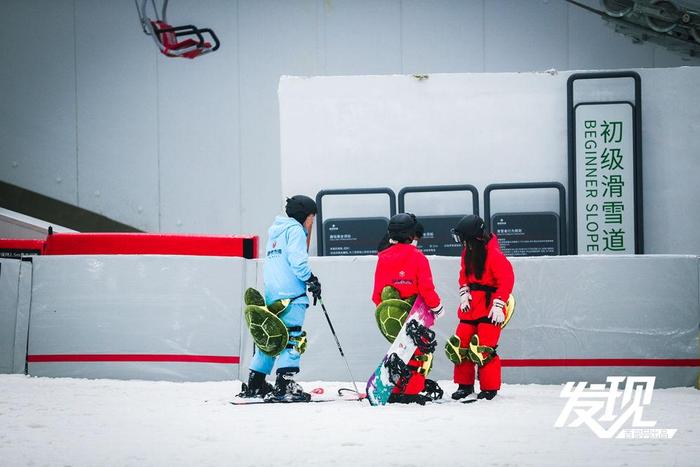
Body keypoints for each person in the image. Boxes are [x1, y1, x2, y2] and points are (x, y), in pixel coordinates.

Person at [238, 195, 322, 402]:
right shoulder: (295, 231)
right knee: (293, 337)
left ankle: (256, 381)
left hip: (273, 294)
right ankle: (285, 384)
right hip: (292, 294)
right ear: (305, 215)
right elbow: (298, 261)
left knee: (272, 337)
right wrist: (311, 279)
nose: (312, 222)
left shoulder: (275, 232)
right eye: (311, 217)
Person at [372, 213, 443, 404]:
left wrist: (386, 312)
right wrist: (437, 307)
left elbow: (377, 293)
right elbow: (427, 289)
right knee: (418, 355)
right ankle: (409, 392)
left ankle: (394, 388)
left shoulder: (383, 257)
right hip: (416, 314)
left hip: (392, 315)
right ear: (411, 234)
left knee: (399, 351)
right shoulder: (418, 257)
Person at [448, 214, 514, 401]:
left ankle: (489, 388)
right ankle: (464, 385)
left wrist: (499, 304)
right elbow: (463, 275)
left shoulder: (494, 255)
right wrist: (464, 292)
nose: (462, 242)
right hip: (471, 307)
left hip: (490, 307)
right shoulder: (467, 252)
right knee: (460, 345)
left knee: (484, 348)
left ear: (472, 237)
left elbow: (506, 280)